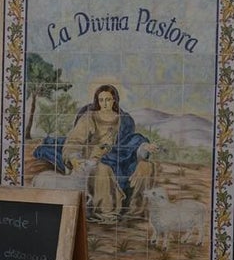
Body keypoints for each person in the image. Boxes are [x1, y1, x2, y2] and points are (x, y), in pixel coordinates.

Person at [34, 83, 157, 223]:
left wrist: (142, 152)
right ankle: (106, 213)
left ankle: (135, 211)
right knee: (102, 169)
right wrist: (74, 159)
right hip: (94, 158)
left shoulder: (124, 120)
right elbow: (74, 141)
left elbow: (131, 141)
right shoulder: (90, 117)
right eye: (101, 100)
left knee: (147, 167)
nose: (105, 103)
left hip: (119, 158)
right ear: (97, 101)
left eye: (108, 99)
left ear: (115, 100)